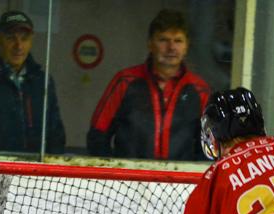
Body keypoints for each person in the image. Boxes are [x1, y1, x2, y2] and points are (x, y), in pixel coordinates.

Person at [87, 9, 210, 161]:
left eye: (178, 41)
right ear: (150, 44)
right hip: (129, 174)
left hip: (180, 175)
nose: (171, 47)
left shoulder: (200, 90)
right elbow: (98, 136)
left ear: (186, 47)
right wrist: (114, 172)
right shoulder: (124, 82)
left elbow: (209, 147)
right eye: (163, 40)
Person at [0, 10, 65, 154]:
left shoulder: (42, 81)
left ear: (31, 41)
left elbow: (55, 134)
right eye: (10, 38)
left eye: (24, 38)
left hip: (33, 167)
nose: (19, 46)